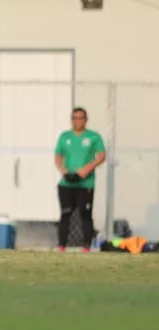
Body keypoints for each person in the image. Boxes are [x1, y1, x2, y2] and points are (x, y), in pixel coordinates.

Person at [55, 107, 107, 252]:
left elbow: (101, 156)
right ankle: (61, 247)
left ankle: (86, 247)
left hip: (85, 184)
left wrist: (87, 169)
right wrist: (63, 170)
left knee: (85, 215)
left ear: (85, 120)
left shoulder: (93, 137)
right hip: (67, 183)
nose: (78, 121)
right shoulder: (65, 137)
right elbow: (58, 156)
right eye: (75, 118)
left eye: (81, 118)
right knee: (65, 214)